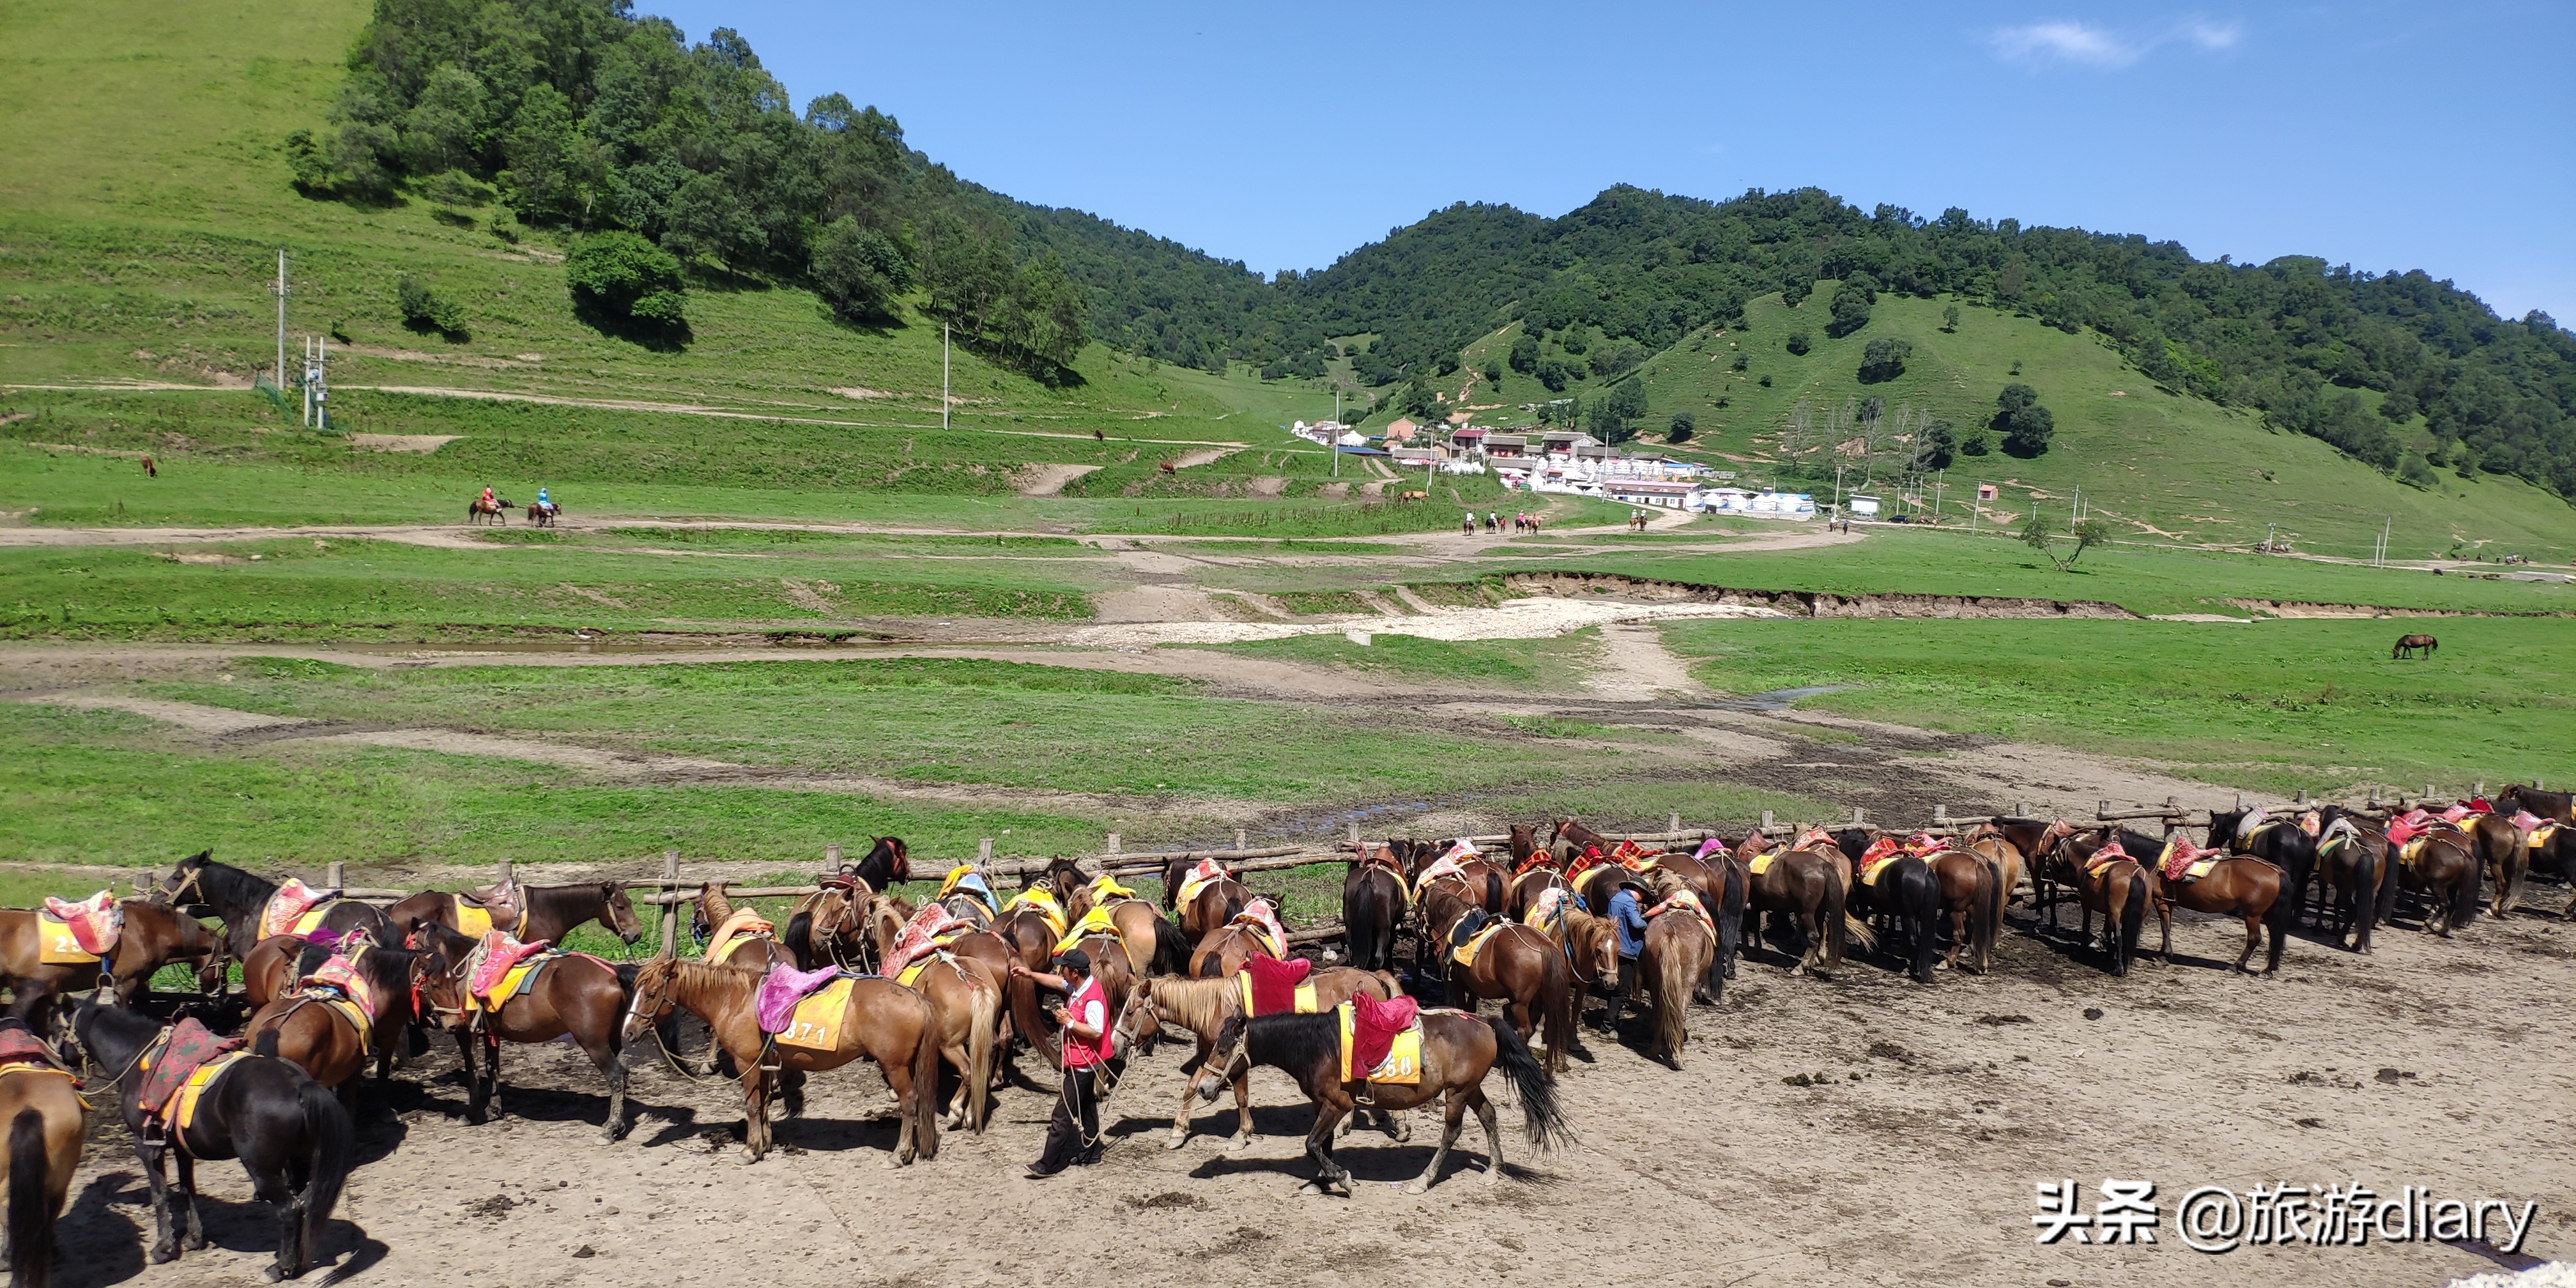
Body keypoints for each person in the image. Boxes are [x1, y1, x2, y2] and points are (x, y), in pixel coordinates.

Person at [1014, 949, 1110, 1177]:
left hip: (1082, 1065)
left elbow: (1096, 1032)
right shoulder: (1079, 986)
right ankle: (1093, 1151)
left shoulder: (1093, 998)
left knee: (1062, 1114)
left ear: (1075, 972)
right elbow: (1058, 982)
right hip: (1080, 1062)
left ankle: (1049, 1164)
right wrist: (1030, 975)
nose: (1061, 972)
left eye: (1064, 968)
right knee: (1085, 1108)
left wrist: (1069, 1022)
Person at [1599, 875, 1649, 1031]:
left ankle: (1610, 1019)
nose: (1643, 898)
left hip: (1614, 948)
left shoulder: (1616, 898)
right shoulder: (1628, 901)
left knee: (1614, 987)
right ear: (1638, 890)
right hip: (1627, 950)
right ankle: (1608, 1027)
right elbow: (1636, 922)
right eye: (1643, 894)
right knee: (1622, 992)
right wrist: (1647, 923)